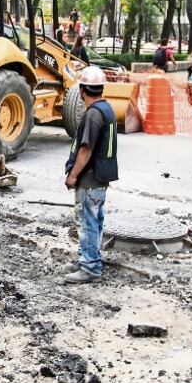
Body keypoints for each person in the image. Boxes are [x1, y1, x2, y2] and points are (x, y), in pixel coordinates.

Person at [62, 66, 119, 284]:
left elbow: (85, 150)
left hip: (90, 179)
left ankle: (90, 268)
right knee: (94, 221)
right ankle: (90, 259)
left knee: (87, 223)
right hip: (100, 178)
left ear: (83, 90)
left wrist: (73, 176)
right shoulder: (107, 109)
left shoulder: (93, 115)